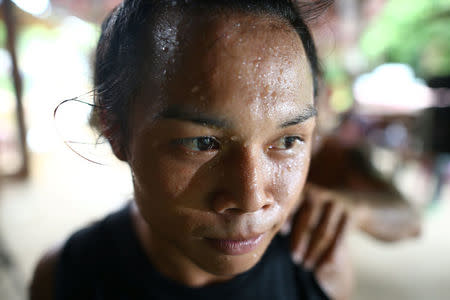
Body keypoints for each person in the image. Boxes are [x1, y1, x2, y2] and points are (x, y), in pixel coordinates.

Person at [31, 0, 352, 299]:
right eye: (202, 143)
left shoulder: (319, 271)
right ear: (115, 130)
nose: (250, 199)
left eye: (288, 141)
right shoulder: (65, 279)